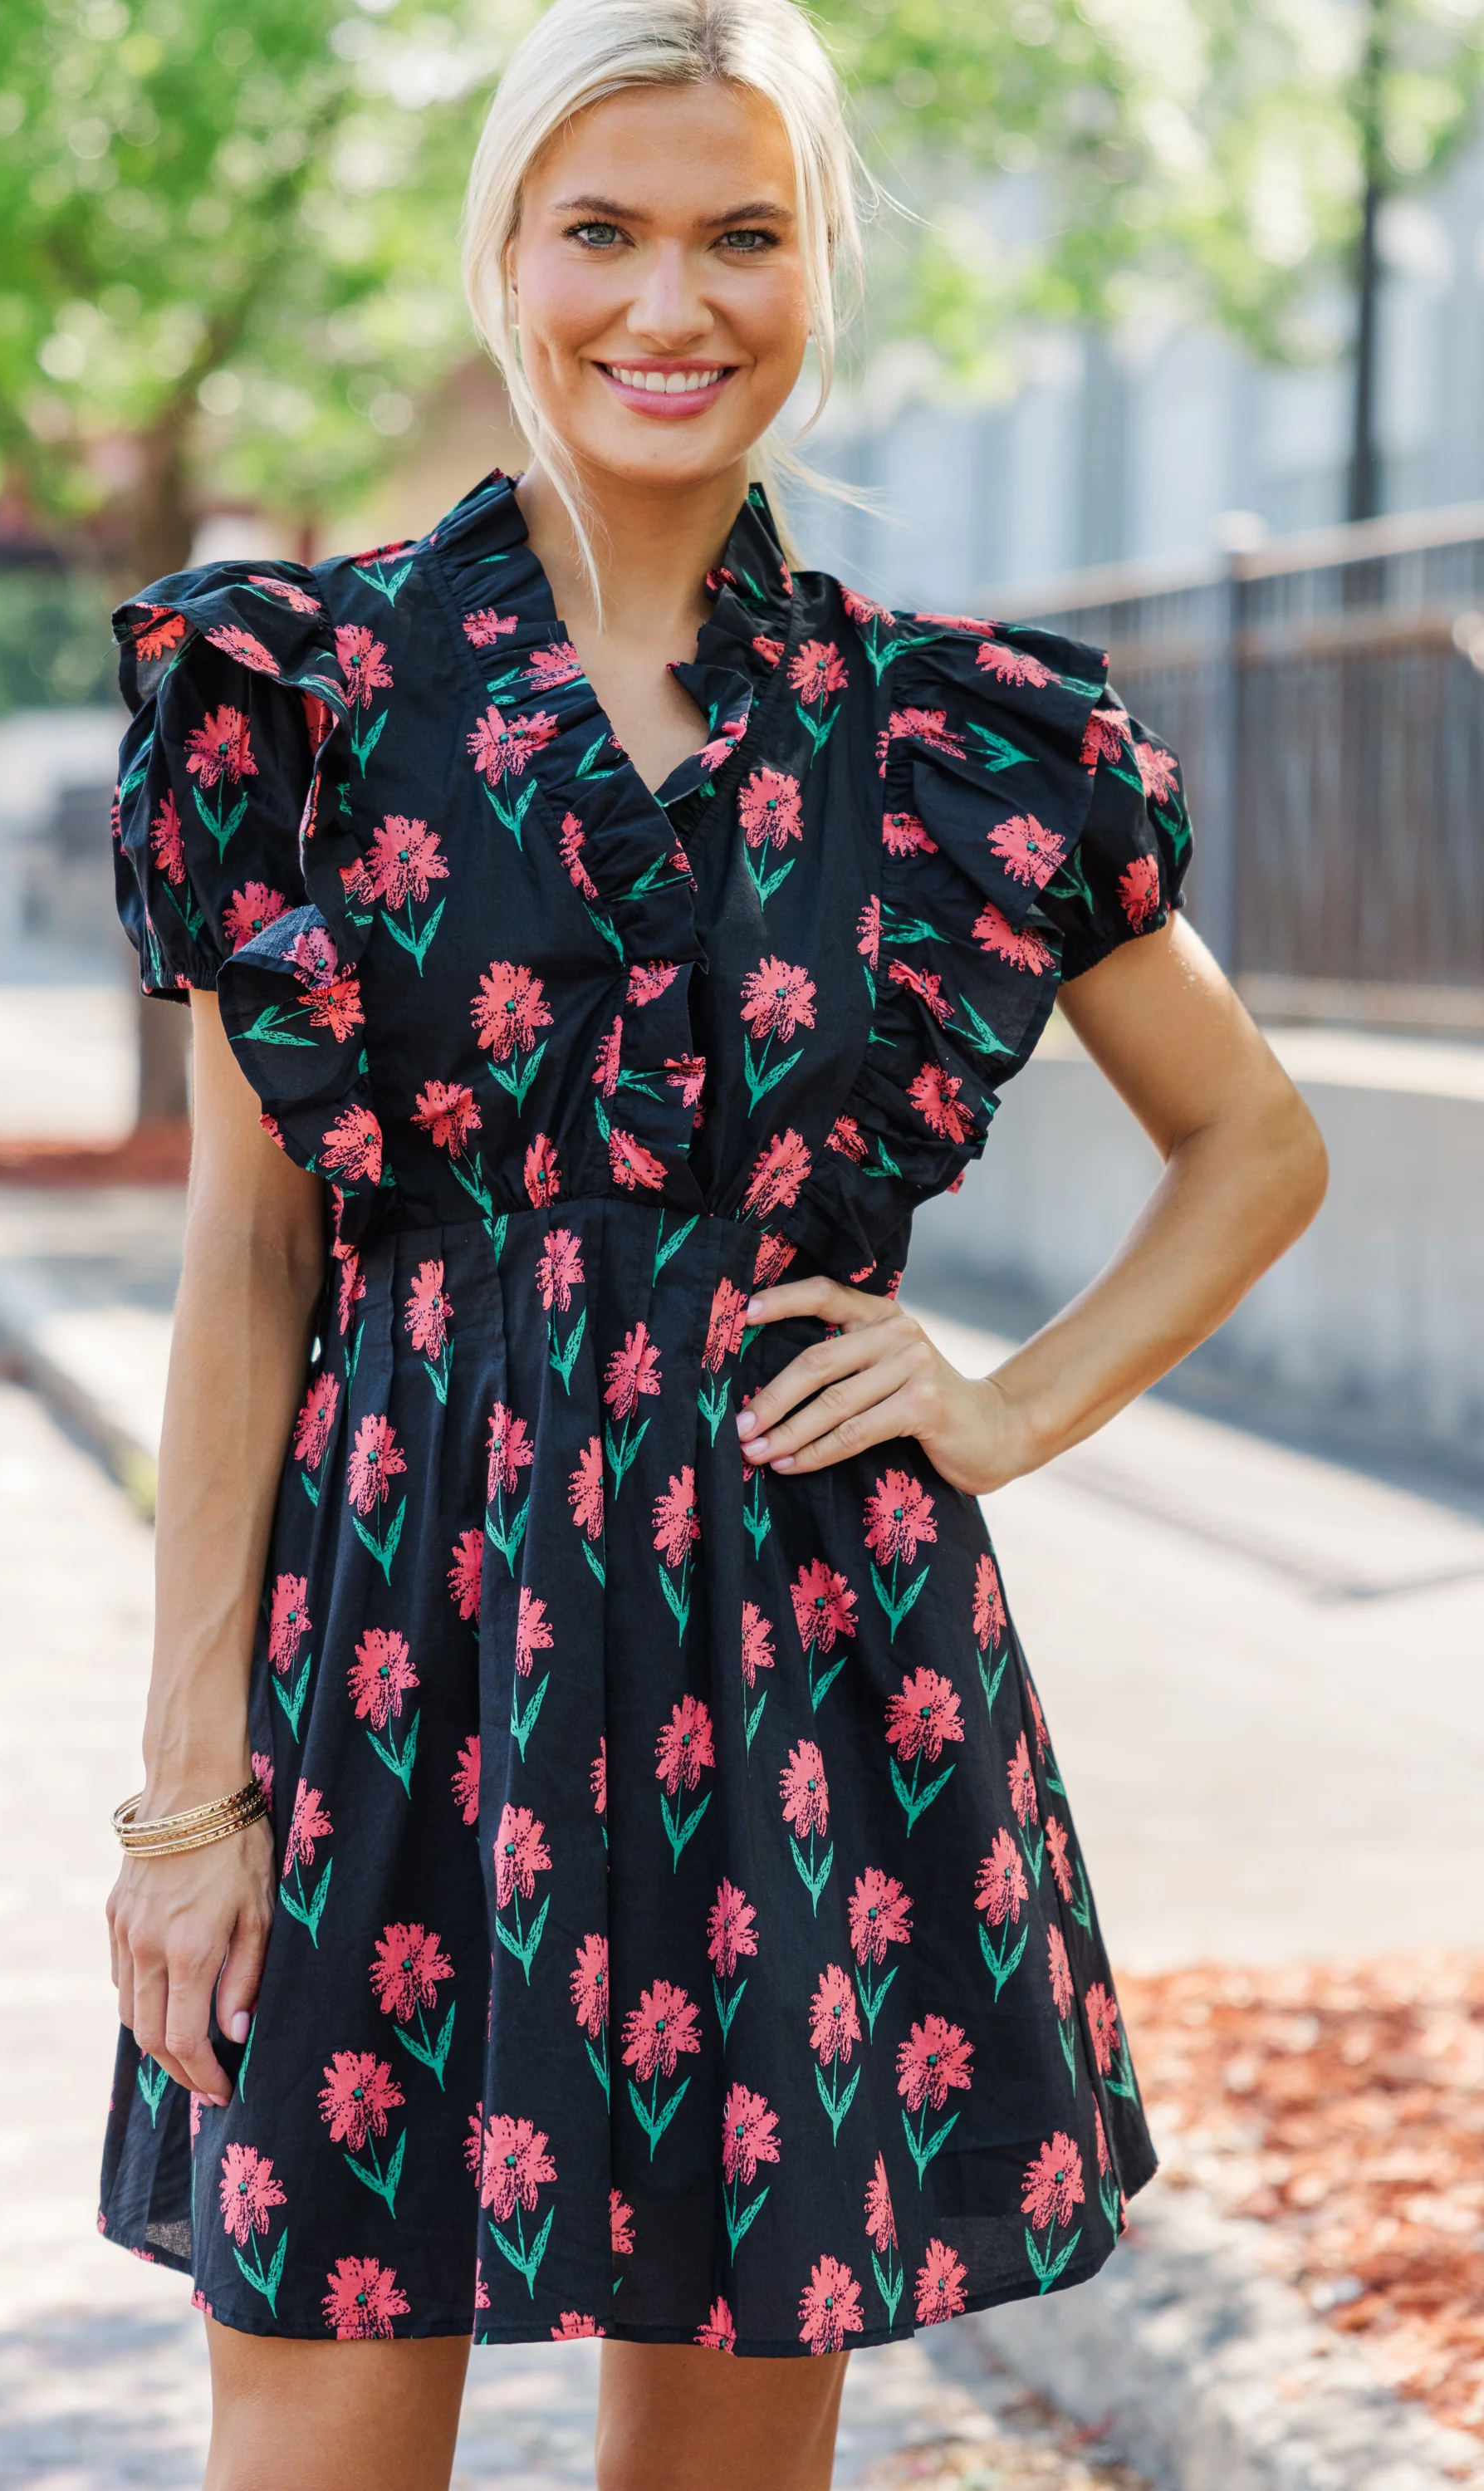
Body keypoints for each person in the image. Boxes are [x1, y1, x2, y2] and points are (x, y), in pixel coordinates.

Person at [100, 2, 1328, 2484]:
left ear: (819, 271)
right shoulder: (309, 701)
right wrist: (182, 1792)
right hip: (389, 1669)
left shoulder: (947, 738)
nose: (672, 304)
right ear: (509, 264)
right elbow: (249, 1268)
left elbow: (1258, 1143)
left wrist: (1001, 1403)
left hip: (792, 1670)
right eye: (607, 232)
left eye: (742, 234)